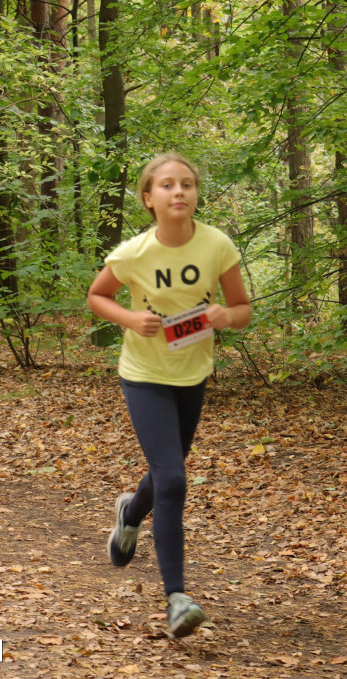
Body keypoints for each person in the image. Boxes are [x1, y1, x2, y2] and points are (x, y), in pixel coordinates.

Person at [86, 153, 251, 638]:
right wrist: (131, 319)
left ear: (196, 194)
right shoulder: (134, 253)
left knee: (167, 469)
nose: (178, 192)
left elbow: (242, 308)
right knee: (173, 478)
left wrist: (225, 316)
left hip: (192, 374)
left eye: (187, 184)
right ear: (148, 199)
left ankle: (130, 512)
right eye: (167, 185)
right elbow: (97, 297)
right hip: (144, 374)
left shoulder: (216, 245)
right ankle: (176, 597)